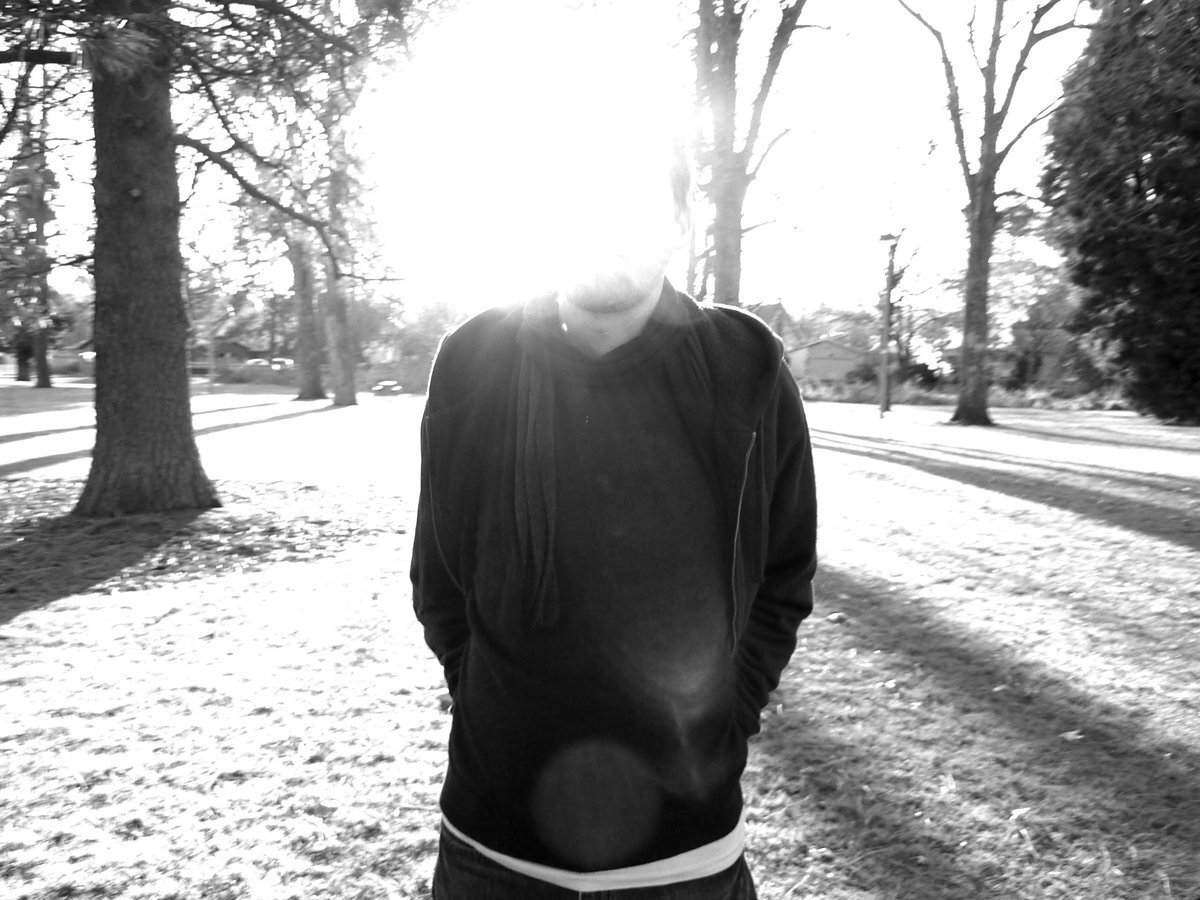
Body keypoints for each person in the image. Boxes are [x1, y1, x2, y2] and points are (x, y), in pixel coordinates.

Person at [410, 119, 817, 899]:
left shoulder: (745, 368)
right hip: (491, 855)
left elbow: (784, 574)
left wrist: (727, 717)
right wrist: (494, 709)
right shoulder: (475, 360)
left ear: (680, 223)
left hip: (687, 862)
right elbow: (441, 580)